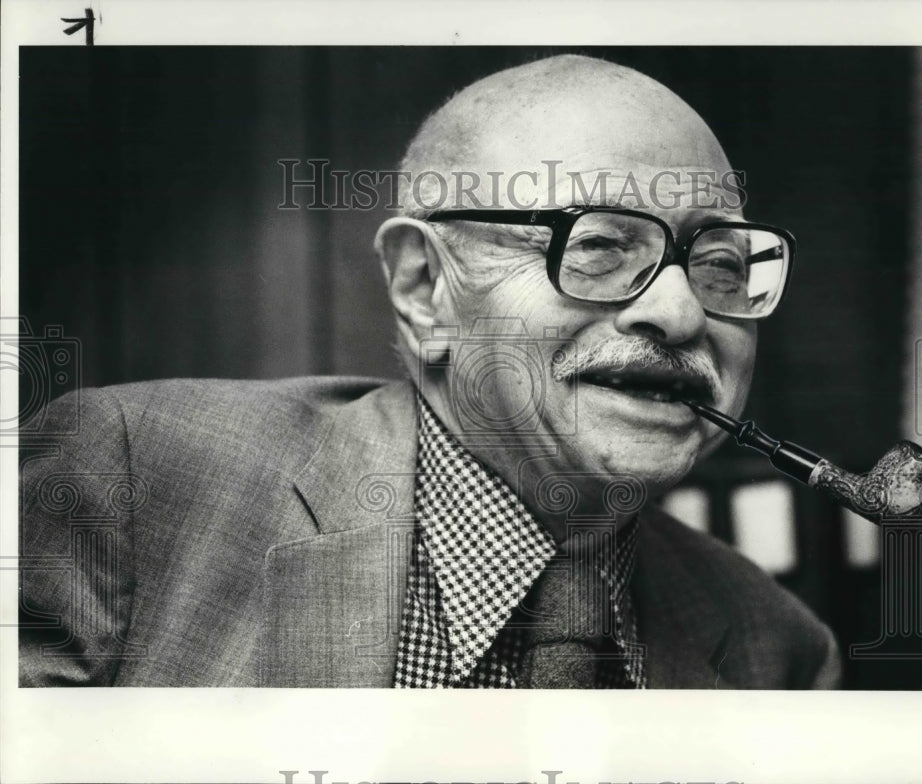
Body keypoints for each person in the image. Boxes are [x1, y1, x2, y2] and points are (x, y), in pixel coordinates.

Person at [19, 54, 840, 688]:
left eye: (722, 264)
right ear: (424, 287)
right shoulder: (132, 486)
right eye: (598, 245)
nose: (683, 313)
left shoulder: (780, 649)